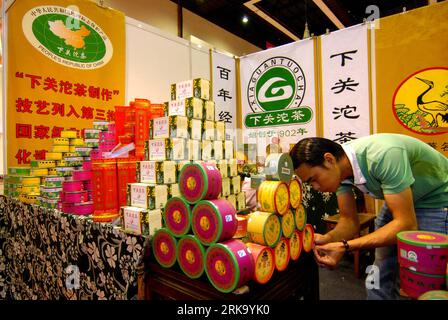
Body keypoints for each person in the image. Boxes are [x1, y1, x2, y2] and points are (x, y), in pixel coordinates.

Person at [289, 133, 448, 300]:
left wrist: (345, 246)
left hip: (436, 201)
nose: (314, 187)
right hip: (401, 199)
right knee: (378, 276)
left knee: (422, 282)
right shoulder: (340, 171)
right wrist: (328, 238)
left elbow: (406, 225)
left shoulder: (383, 154)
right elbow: (349, 221)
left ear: (329, 159)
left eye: (313, 179)